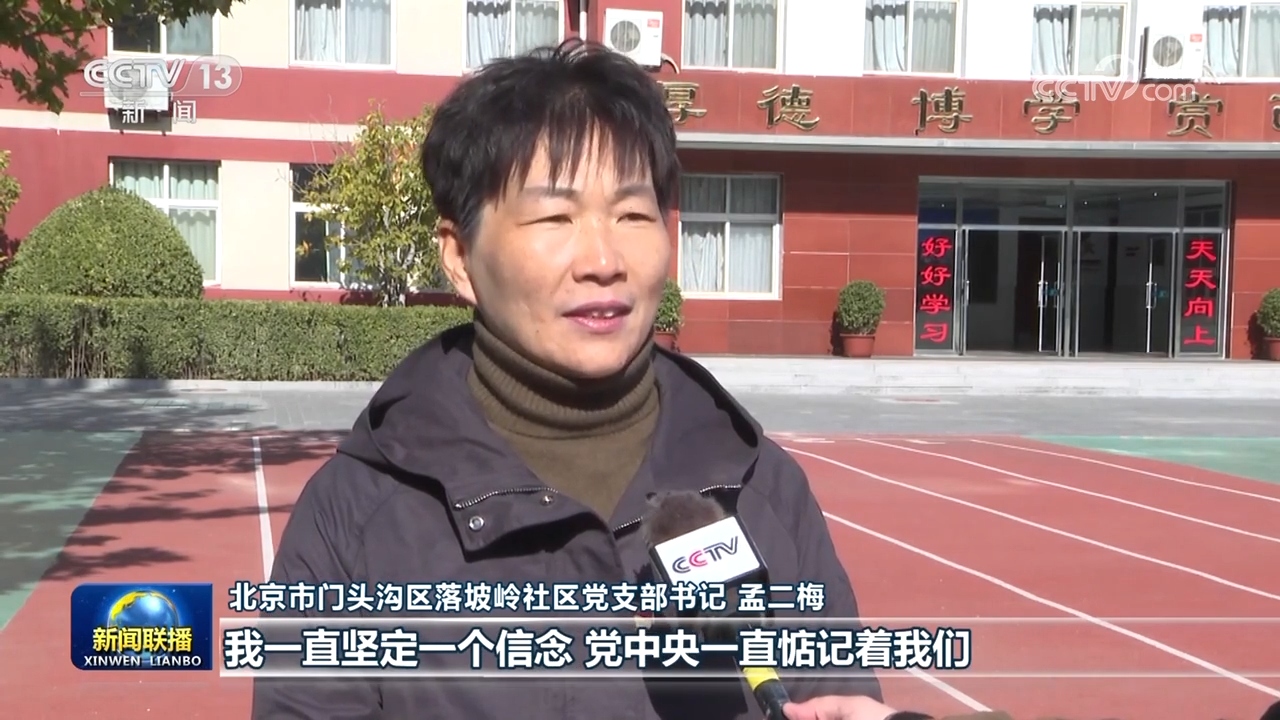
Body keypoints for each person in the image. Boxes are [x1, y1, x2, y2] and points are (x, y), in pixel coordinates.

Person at [250, 38, 977, 720]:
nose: (604, 260)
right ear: (460, 257)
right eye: (555, 217)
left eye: (632, 213)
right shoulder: (358, 512)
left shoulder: (758, 485)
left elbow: (832, 691)